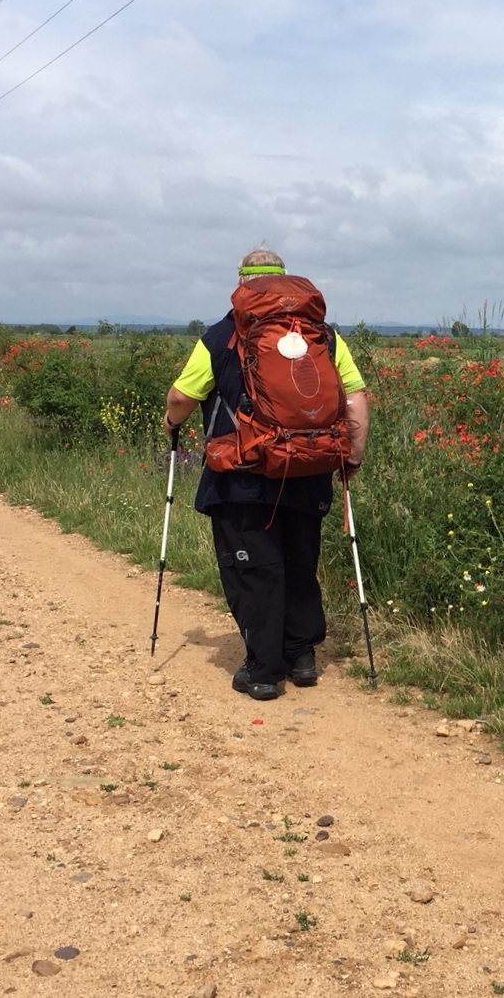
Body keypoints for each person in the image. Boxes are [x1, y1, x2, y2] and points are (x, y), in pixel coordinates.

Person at [162, 249, 369, 700]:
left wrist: (170, 424)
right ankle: (302, 657)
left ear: (241, 281)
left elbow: (181, 398)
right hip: (310, 466)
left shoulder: (221, 335)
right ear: (285, 279)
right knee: (299, 562)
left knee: (255, 570)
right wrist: (350, 456)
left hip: (245, 477)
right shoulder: (324, 336)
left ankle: (262, 669)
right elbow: (354, 395)